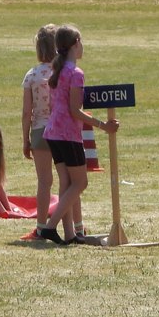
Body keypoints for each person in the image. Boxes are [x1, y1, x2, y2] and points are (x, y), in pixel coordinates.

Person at [35, 25, 119, 244]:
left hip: (52, 132)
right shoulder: (75, 73)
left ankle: (70, 233)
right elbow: (75, 110)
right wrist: (103, 125)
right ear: (75, 44)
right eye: (81, 42)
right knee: (80, 183)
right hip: (67, 134)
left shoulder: (58, 70)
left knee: (66, 182)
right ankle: (50, 227)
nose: (83, 47)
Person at [20, 24, 60, 240]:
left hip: (39, 130)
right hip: (61, 129)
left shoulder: (32, 75)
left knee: (44, 182)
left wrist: (25, 139)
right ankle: (75, 225)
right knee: (67, 181)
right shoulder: (63, 72)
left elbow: (27, 112)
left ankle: (41, 226)